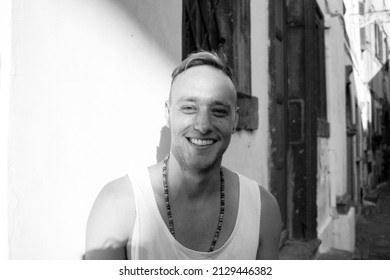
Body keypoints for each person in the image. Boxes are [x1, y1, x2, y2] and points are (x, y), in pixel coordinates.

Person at [85, 50, 282, 260]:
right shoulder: (118, 205)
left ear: (235, 120)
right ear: (168, 114)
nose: (203, 125)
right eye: (189, 108)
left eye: (219, 111)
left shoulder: (262, 210)